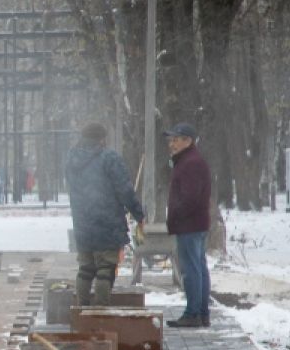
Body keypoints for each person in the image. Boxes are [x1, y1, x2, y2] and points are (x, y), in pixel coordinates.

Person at [65, 122, 145, 307]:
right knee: (105, 269)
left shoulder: (71, 158)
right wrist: (138, 214)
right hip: (107, 222)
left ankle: (81, 310)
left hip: (82, 223)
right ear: (102, 139)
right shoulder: (109, 157)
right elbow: (124, 190)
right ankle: (99, 312)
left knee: (85, 268)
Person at [163, 122, 212, 328]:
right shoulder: (188, 161)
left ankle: (193, 313)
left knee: (191, 269)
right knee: (198, 267)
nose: (171, 144)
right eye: (170, 140)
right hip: (195, 223)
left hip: (189, 225)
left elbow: (190, 198)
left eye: (176, 139)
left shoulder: (190, 163)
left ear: (188, 141)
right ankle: (201, 312)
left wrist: (177, 215)